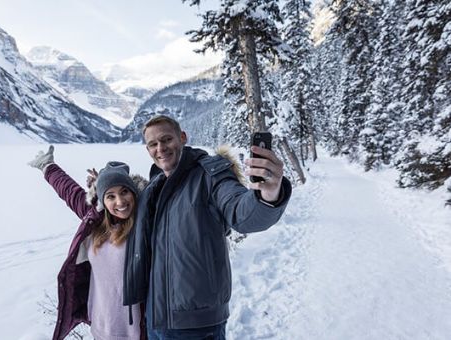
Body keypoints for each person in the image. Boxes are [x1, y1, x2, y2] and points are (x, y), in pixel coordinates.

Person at [123, 115, 292, 340]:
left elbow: (242, 211)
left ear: (182, 138)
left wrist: (268, 194)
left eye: (166, 140)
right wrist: (103, 188)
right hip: (156, 319)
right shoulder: (154, 188)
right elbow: (120, 217)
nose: (160, 148)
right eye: (153, 144)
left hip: (198, 325)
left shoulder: (210, 175)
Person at [28, 145, 147, 340]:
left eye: (125, 192)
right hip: (101, 327)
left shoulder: (147, 223)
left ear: (134, 192)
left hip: (138, 331)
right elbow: (70, 191)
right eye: (110, 196)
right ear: (102, 200)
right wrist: (48, 166)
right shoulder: (95, 221)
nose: (120, 201)